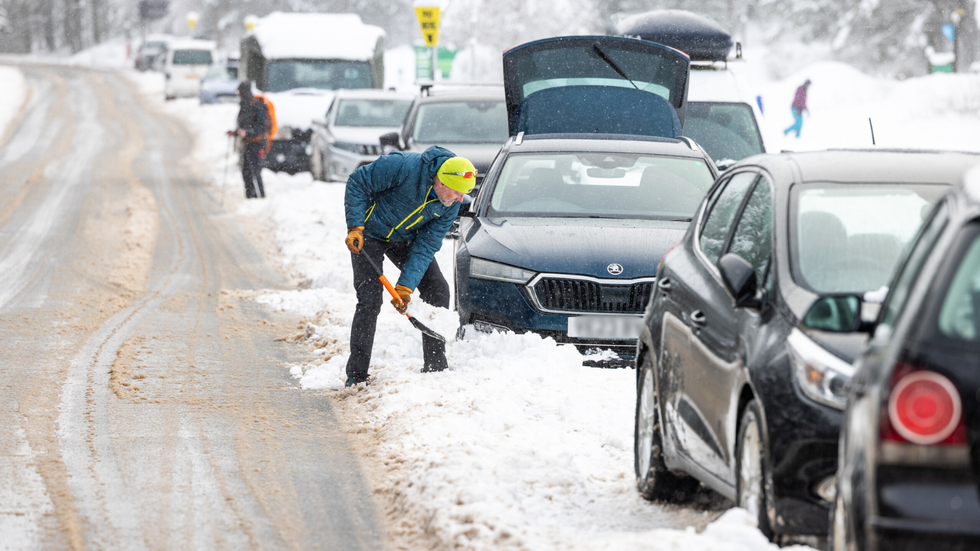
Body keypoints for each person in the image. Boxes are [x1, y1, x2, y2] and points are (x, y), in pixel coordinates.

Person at [343, 147, 476, 387]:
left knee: (438, 289)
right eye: (457, 192)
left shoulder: (451, 204)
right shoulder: (402, 166)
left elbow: (426, 244)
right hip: (369, 234)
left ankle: (435, 366)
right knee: (370, 299)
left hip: (406, 238)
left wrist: (405, 286)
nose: (460, 199)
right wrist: (355, 226)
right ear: (442, 182)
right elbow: (357, 182)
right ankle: (357, 374)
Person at [229, 82, 270, 198]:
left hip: (257, 144)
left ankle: (260, 197)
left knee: (255, 171)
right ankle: (250, 196)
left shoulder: (257, 106)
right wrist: (236, 132)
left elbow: (261, 127)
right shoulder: (244, 107)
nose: (239, 96)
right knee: (246, 172)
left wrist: (248, 132)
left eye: (240, 93)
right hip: (247, 144)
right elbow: (244, 124)